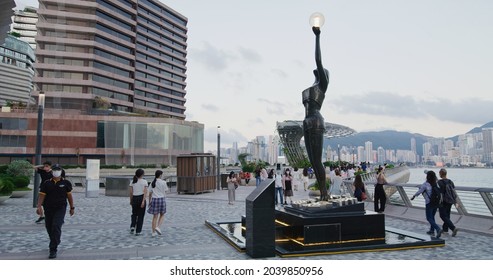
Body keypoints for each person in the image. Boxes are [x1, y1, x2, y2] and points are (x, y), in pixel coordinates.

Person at [302, 25, 329, 200]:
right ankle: (323, 194)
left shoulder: (322, 85)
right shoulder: (312, 85)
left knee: (317, 160)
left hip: (315, 120)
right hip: (306, 121)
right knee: (312, 161)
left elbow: (318, 61)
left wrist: (317, 37)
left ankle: (324, 194)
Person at [36, 164, 74, 259]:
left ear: (61, 171)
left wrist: (72, 207)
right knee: (49, 227)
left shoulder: (66, 183)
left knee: (56, 225)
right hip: (48, 208)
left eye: (58, 170)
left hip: (60, 208)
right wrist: (39, 206)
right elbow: (42, 195)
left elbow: (69, 196)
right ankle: (55, 239)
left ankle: (53, 249)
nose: (56, 171)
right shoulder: (46, 183)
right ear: (52, 171)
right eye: (55, 170)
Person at [411, 170, 442, 238]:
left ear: (427, 177)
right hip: (436, 202)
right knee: (432, 216)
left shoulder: (425, 184)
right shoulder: (436, 183)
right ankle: (431, 230)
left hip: (429, 202)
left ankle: (438, 229)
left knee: (429, 218)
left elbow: (420, 191)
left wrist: (414, 196)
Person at [438, 168, 459, 237]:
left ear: (440, 174)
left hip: (443, 201)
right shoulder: (450, 181)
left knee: (442, 216)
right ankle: (445, 230)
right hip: (450, 200)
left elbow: (438, 192)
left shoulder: (439, 182)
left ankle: (453, 228)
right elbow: (453, 191)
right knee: (447, 215)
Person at [147, 170, 168, 237]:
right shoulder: (163, 182)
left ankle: (153, 232)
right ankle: (158, 227)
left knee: (155, 217)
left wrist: (149, 201)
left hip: (154, 199)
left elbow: (150, 193)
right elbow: (166, 191)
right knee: (162, 214)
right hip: (161, 199)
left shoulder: (152, 183)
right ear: (160, 175)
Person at [129, 168, 148, 236]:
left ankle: (133, 226)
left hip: (134, 198)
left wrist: (131, 200)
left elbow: (131, 192)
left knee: (134, 213)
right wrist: (143, 201)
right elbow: (145, 192)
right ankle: (138, 231)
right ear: (142, 174)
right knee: (141, 215)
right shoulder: (144, 182)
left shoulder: (132, 182)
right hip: (141, 198)